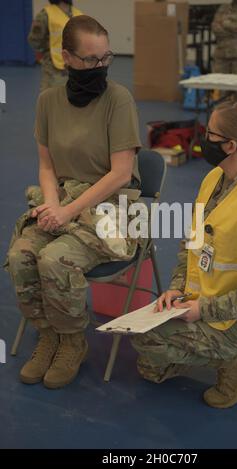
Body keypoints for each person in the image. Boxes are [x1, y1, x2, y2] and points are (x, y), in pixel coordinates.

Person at [5, 15, 142, 389]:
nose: (100, 67)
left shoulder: (118, 99)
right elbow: (47, 165)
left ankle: (71, 342)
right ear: (67, 57)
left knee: (54, 259)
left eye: (105, 58)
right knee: (20, 256)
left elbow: (121, 174)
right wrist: (52, 207)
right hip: (64, 198)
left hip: (113, 209)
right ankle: (48, 334)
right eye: (90, 60)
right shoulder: (48, 101)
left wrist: (67, 211)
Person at [131, 102, 237, 409]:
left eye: (210, 133)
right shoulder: (213, 179)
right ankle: (220, 351)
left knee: (147, 341)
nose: (204, 139)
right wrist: (177, 288)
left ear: (230, 145)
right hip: (205, 296)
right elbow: (190, 245)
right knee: (148, 366)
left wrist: (201, 310)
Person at [28, 0, 82, 91]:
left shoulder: (79, 14)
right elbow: (34, 40)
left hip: (75, 69)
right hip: (54, 69)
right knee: (51, 99)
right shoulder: (45, 15)